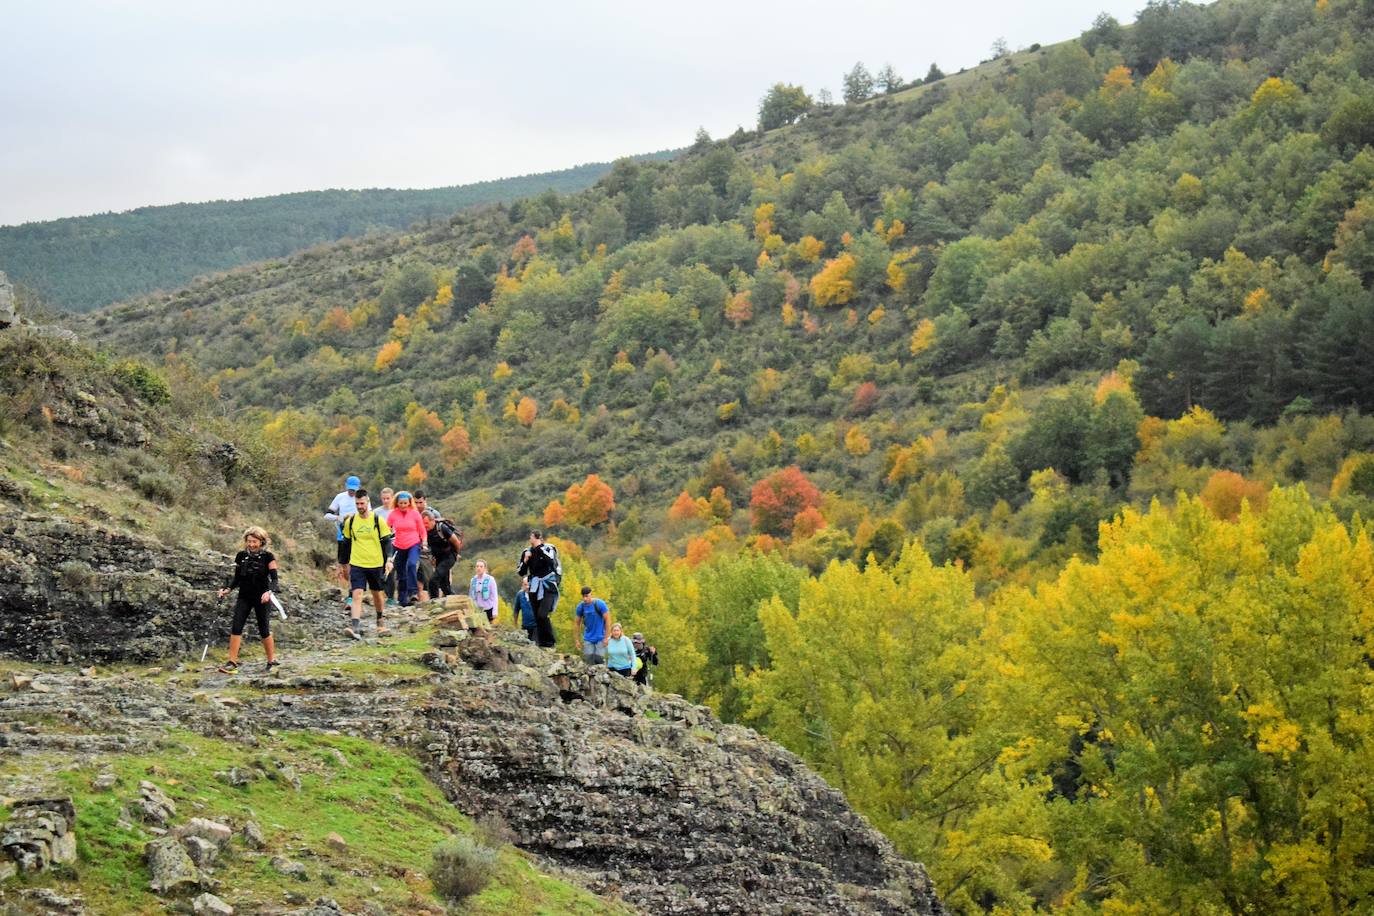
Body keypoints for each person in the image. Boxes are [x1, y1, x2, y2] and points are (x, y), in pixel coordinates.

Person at [216, 526, 280, 674]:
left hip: (262, 598)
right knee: (236, 626)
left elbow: (275, 579)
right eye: (249, 541)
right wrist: (227, 589)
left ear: (262, 542)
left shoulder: (268, 557)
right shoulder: (240, 556)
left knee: (264, 629)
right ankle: (232, 662)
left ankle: (271, 660)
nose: (251, 544)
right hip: (244, 596)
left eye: (254, 541)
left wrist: (269, 592)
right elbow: (237, 578)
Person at [342, 488, 393, 639]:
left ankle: (380, 619)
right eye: (357, 504)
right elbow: (346, 543)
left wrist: (389, 560)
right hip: (357, 563)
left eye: (362, 503)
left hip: (375, 563)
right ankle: (355, 627)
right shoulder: (350, 522)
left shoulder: (378, 520)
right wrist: (344, 564)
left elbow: (387, 542)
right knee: (357, 594)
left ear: (368, 502)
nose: (359, 506)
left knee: (377, 594)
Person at [516, 530, 561, 648]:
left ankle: (550, 641)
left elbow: (551, 562)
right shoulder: (527, 552)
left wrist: (539, 549)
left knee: (542, 614)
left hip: (548, 585)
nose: (529, 539)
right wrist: (526, 560)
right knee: (537, 616)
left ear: (537, 538)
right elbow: (521, 572)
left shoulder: (548, 548)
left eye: (531, 537)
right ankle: (542, 642)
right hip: (534, 586)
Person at [324, 475, 361, 606]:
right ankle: (351, 585)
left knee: (354, 564)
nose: (352, 492)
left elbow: (369, 514)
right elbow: (327, 515)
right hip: (342, 535)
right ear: (346, 487)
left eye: (355, 490)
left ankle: (352, 595)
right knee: (344, 565)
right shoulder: (340, 497)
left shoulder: (363, 498)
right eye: (351, 489)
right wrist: (338, 517)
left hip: (357, 536)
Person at [387, 491, 425, 607]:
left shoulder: (415, 514)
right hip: (398, 545)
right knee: (401, 572)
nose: (403, 505)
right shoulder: (393, 514)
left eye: (405, 503)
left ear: (409, 503)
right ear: (397, 503)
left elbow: (422, 530)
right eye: (401, 503)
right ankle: (402, 599)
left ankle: (413, 592)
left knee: (412, 564)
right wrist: (386, 540)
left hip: (413, 543)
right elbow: (387, 528)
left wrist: (425, 542)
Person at [423, 510, 463, 598]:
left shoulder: (442, 528)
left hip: (449, 555)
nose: (425, 526)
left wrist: (456, 554)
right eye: (423, 524)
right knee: (444, 585)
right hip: (438, 557)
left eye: (426, 523)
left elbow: (456, 541)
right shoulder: (425, 532)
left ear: (432, 520)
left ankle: (434, 602)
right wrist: (432, 559)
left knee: (434, 579)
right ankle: (453, 599)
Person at [573, 586, 609, 665]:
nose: (585, 599)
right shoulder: (581, 607)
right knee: (589, 661)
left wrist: (606, 638)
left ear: (591, 594)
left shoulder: (600, 604)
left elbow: (607, 621)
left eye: (587, 596)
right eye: (583, 596)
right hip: (588, 638)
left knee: (599, 660)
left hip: (601, 638)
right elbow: (577, 624)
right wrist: (576, 640)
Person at [377, 487, 398, 608]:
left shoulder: (396, 511)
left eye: (388, 499)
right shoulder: (376, 512)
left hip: (394, 542)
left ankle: (391, 597)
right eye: (384, 499)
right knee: (379, 568)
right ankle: (382, 593)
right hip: (380, 543)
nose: (386, 501)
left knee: (390, 570)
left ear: (392, 498)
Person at [468, 559, 500, 623]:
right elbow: (470, 595)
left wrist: (495, 611)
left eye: (481, 566)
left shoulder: (490, 579)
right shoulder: (473, 580)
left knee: (489, 629)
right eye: (477, 566)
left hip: (488, 609)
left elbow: (495, 596)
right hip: (477, 610)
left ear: (485, 568)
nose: (479, 568)